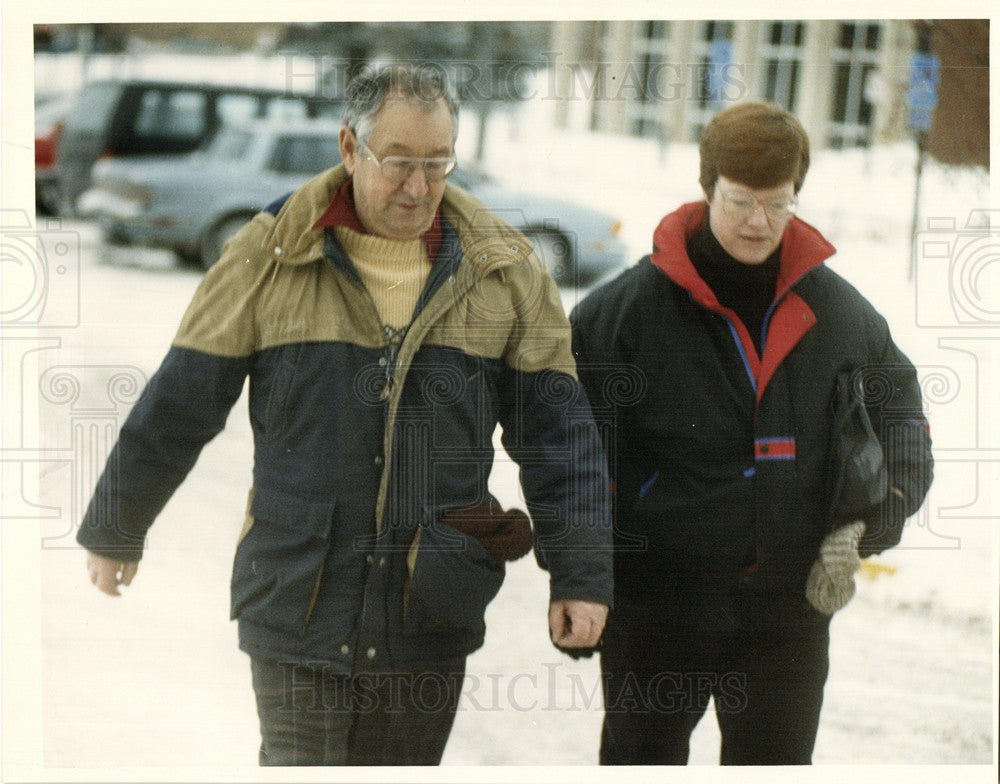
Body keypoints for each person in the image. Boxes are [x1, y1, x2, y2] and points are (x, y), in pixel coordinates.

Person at [78, 64, 612, 766]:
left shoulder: (505, 272)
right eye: (397, 163)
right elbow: (182, 400)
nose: (418, 187)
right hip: (298, 594)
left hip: (432, 601)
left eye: (437, 163)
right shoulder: (269, 256)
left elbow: (560, 438)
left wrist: (580, 574)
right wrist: (119, 522)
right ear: (350, 148)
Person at [570, 101, 933, 765]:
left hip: (786, 618)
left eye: (779, 203)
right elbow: (562, 449)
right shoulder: (622, 314)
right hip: (657, 611)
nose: (759, 222)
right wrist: (581, 571)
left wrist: (871, 522)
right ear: (707, 187)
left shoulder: (840, 313)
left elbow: (905, 418)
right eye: (740, 201)